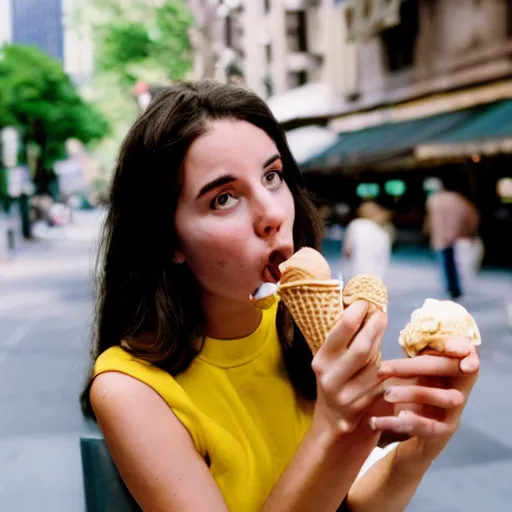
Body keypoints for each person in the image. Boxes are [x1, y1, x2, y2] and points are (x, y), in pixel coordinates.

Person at [80, 81, 480, 512]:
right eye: (224, 198)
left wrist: (417, 450)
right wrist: (335, 425)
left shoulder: (296, 325)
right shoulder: (130, 388)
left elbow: (351, 505)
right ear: (168, 240)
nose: (272, 213)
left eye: (272, 176)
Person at [424, 175, 481, 299]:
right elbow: (471, 214)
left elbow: (429, 221)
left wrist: (427, 233)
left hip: (440, 238)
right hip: (456, 237)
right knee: (455, 264)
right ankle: (456, 288)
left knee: (447, 264)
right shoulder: (456, 198)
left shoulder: (432, 200)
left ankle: (452, 288)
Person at [343, 201, 394, 281]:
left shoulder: (355, 225)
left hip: (355, 275)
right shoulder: (383, 232)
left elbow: (347, 251)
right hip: (376, 278)